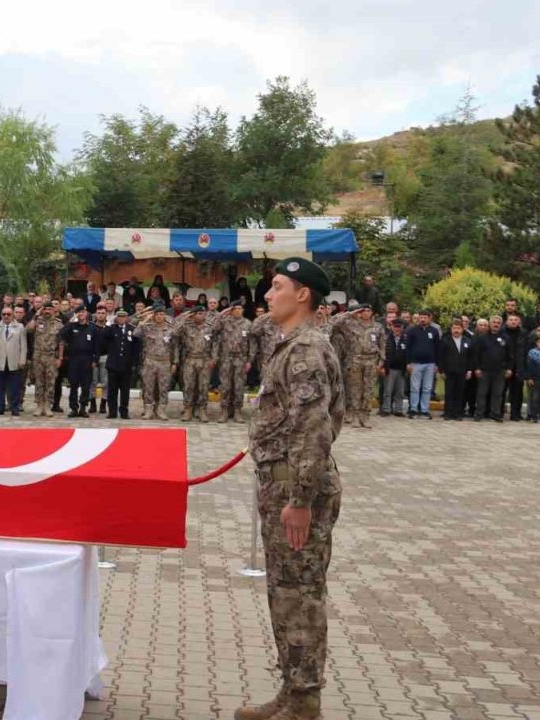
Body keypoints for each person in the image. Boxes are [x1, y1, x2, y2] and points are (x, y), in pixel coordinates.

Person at [236, 257, 341, 720]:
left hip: (296, 491)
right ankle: (293, 691)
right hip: (283, 483)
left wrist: (300, 499)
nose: (267, 294)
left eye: (277, 286)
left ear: (303, 295)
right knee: (286, 593)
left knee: (299, 596)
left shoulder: (306, 351)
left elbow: (314, 430)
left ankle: (304, 701)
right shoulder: (292, 345)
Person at [133, 306, 177, 420]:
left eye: (162, 314)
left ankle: (161, 410)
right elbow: (135, 333)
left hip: (165, 362)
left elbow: (175, 347)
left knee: (163, 387)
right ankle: (148, 409)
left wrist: (175, 363)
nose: (159, 316)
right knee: (148, 387)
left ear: (165, 316)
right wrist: (146, 320)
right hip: (150, 361)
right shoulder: (148, 327)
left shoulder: (170, 329)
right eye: (157, 314)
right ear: (153, 316)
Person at [100, 309, 139, 419]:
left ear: (127, 318)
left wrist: (134, 363)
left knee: (125, 390)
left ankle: (124, 411)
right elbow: (103, 337)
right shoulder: (111, 328)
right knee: (112, 390)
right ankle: (112, 411)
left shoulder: (132, 329)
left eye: (123, 316)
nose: (121, 318)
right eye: (119, 316)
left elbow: (136, 347)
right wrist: (108, 323)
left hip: (126, 365)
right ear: (116, 318)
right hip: (113, 364)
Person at [26, 305, 63, 417]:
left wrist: (60, 358)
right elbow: (28, 329)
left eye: (50, 309)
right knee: (39, 381)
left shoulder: (58, 324)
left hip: (51, 356)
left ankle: (47, 405)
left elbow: (61, 342)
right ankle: (39, 405)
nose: (47, 311)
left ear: (54, 311)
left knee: (50, 382)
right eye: (45, 309)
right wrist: (36, 315)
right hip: (38, 355)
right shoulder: (38, 321)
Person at [470, 317, 510, 421]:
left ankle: (495, 413)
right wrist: (477, 368)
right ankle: (479, 413)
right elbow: (476, 354)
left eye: (498, 323)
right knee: (481, 393)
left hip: (500, 370)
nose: (496, 324)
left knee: (497, 393)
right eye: (494, 322)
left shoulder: (505, 337)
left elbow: (509, 355)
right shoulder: (482, 338)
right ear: (490, 324)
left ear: (501, 325)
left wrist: (509, 368)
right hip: (484, 370)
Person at [0, 306, 27, 416]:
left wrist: (22, 360)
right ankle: (0, 407)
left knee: (14, 386)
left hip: (14, 360)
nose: (6, 316)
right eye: (4, 314)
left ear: (12, 315)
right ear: (1, 315)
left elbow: (23, 346)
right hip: (0, 361)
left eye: (8, 314)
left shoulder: (20, 327)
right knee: (0, 386)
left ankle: (14, 407)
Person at [404, 310, 441, 418]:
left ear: (429, 319)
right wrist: (408, 363)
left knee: (427, 388)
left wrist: (437, 364)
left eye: (425, 317)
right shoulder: (412, 331)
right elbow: (408, 348)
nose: (422, 319)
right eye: (421, 317)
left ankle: (424, 409)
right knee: (415, 387)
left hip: (430, 364)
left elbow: (438, 349)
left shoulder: (434, 331)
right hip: (415, 363)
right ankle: (413, 409)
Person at [438, 320, 472, 421]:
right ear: (451, 329)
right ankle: (448, 413)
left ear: (462, 329)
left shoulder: (467, 341)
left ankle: (458, 413)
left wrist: (469, 370)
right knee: (449, 392)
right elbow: (441, 356)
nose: (456, 330)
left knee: (460, 392)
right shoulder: (445, 340)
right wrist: (441, 370)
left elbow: (470, 357)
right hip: (449, 371)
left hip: (462, 371)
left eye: (458, 328)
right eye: (454, 328)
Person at [381, 319, 408, 416]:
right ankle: (386, 409)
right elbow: (382, 353)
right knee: (388, 391)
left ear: (402, 328)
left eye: (399, 327)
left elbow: (408, 353)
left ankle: (398, 410)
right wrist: (382, 366)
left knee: (400, 391)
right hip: (389, 368)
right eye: (395, 327)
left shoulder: (406, 339)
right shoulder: (386, 338)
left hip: (401, 369)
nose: (397, 329)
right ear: (392, 327)